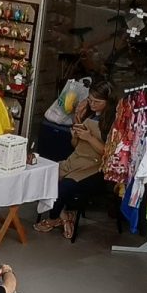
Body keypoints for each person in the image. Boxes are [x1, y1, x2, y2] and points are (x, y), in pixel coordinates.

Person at [39, 81, 111, 240]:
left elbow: (108, 153)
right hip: (76, 159)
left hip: (94, 167)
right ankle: (64, 216)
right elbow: (76, 146)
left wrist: (89, 138)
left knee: (64, 186)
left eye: (97, 102)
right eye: (90, 100)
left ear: (108, 102)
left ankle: (54, 217)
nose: (92, 104)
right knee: (44, 176)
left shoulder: (112, 122)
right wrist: (75, 135)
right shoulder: (88, 114)